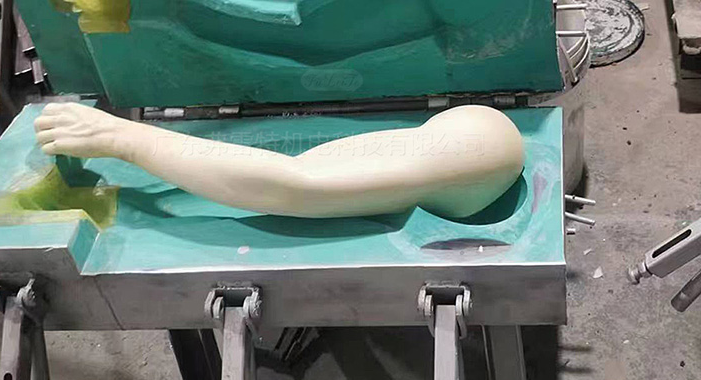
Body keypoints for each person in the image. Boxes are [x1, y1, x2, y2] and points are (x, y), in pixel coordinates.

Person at [34, 102, 524, 220]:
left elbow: (296, 185)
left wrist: (126, 139)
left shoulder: (482, 151)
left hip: (479, 147)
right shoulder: (473, 143)